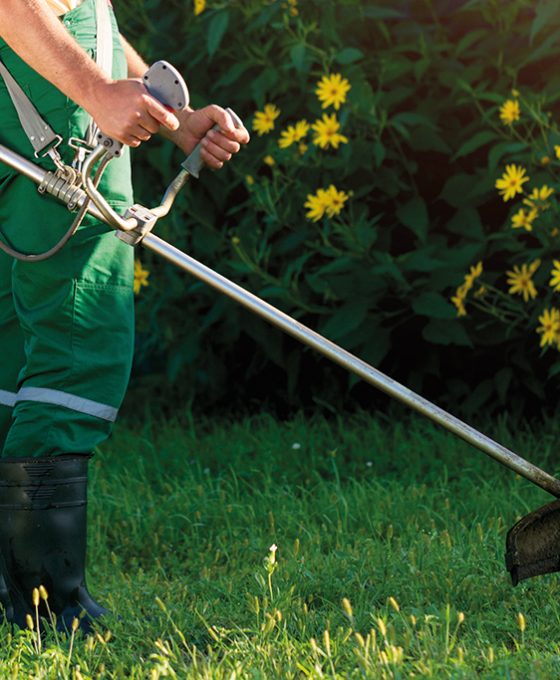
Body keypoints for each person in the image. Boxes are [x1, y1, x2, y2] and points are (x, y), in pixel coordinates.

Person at [0, 0, 249, 631]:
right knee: (80, 340)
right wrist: (95, 90)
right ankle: (46, 605)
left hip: (31, 91)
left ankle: (11, 597)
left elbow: (87, 13)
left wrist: (173, 117)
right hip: (54, 117)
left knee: (8, 349)